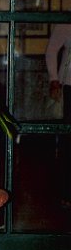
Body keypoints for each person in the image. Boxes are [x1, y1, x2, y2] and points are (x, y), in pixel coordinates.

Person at [45, 23, 71, 207]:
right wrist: (54, 78)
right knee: (68, 143)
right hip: (70, 85)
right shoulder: (66, 23)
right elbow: (52, 49)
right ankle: (67, 193)